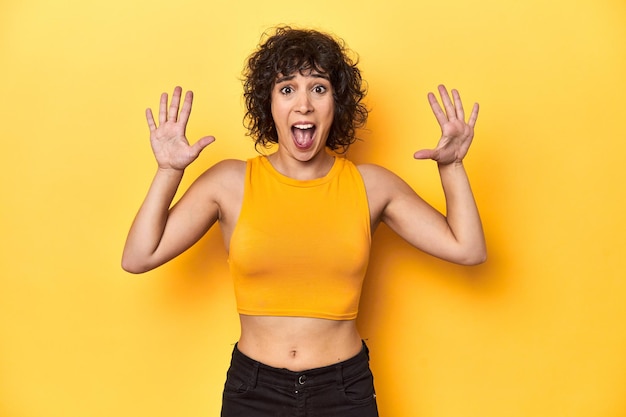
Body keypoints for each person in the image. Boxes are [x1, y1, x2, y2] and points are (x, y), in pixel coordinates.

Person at [122, 26, 486, 417]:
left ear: (336, 103)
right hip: (254, 392)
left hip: (344, 391)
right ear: (269, 104)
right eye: (286, 88)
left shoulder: (372, 186)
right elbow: (139, 257)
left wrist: (452, 166)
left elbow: (468, 248)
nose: (304, 105)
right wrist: (167, 172)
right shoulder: (229, 183)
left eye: (318, 88)